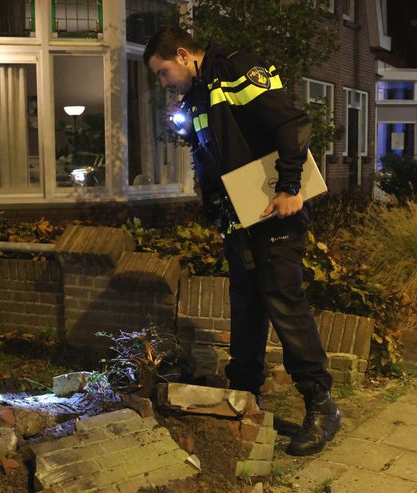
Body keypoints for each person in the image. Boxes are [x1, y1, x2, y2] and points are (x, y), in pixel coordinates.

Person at [144, 27, 340, 456]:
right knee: (246, 304)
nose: (163, 83)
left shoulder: (236, 69)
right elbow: (210, 156)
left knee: (284, 302)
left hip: (275, 211)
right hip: (239, 218)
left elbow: (291, 123)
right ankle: (244, 396)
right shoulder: (199, 94)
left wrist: (290, 187)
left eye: (163, 72)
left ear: (182, 54)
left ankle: (322, 407)